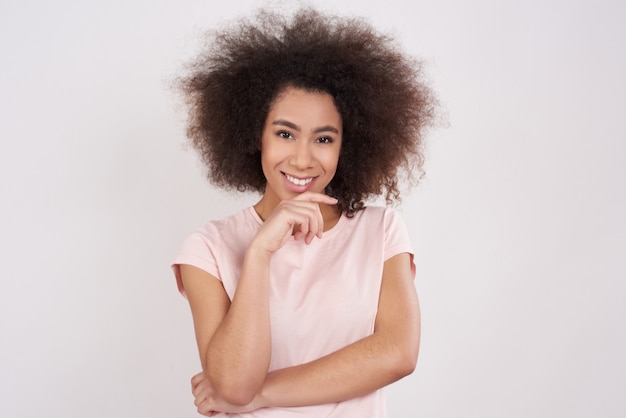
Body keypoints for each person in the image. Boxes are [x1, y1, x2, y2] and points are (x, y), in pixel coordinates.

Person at [172, 7, 436, 417]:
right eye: (284, 133)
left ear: (347, 145)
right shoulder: (208, 248)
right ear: (252, 134)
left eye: (324, 138)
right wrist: (259, 253)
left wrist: (263, 394)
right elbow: (233, 383)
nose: (302, 159)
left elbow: (398, 353)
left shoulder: (380, 230)